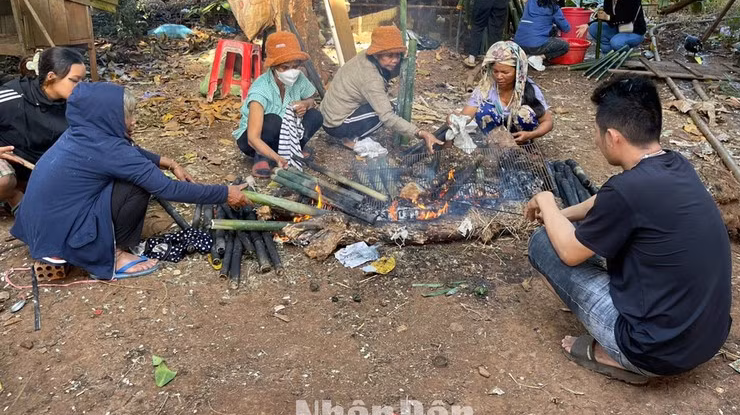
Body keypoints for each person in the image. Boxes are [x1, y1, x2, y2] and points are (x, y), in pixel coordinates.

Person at [525, 77, 731, 384]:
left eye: (597, 132)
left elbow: (568, 252)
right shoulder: (675, 164)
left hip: (653, 350)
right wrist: (560, 215)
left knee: (544, 243)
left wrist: (545, 200)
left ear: (613, 137)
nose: (595, 140)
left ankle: (616, 355)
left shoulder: (626, 191)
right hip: (708, 338)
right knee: (576, 232)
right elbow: (605, 200)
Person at [12, 82, 249, 280]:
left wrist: (168, 162)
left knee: (132, 176)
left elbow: (130, 152)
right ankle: (115, 256)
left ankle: (96, 244)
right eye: (127, 116)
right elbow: (166, 188)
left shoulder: (85, 133)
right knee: (137, 185)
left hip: (41, 230)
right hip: (59, 241)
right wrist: (225, 193)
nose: (134, 121)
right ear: (108, 116)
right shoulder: (109, 149)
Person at [320, 25, 443, 151]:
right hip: (336, 124)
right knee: (387, 112)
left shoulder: (368, 57)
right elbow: (387, 117)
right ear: (376, 54)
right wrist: (419, 132)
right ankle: (348, 139)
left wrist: (406, 63)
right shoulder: (370, 77)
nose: (395, 60)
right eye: (389, 55)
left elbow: (390, 68)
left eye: (397, 55)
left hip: (329, 113)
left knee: (384, 106)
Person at [0, 47, 86, 215]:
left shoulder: (76, 105)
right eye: (74, 80)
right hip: (8, 162)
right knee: (3, 181)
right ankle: (14, 195)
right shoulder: (11, 97)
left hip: (37, 168)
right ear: (51, 77)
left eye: (83, 80)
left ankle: (25, 190)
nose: (80, 87)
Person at [234, 31, 323, 178]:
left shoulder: (299, 79)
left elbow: (311, 99)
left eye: (295, 66)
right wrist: (277, 159)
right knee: (274, 120)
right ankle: (262, 158)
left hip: (284, 136)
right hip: (254, 141)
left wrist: (305, 104)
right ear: (274, 67)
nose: (291, 72)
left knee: (315, 116)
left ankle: (294, 150)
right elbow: (252, 138)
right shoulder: (261, 89)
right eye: (285, 67)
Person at [455, 41, 553, 144]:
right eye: (495, 71)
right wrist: (455, 119)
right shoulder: (485, 88)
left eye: (505, 72)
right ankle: (493, 145)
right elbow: (466, 115)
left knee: (525, 112)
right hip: (492, 142)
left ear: (518, 72)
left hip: (522, 140)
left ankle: (522, 144)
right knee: (485, 109)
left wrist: (531, 135)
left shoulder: (529, 88)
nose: (499, 76)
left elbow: (547, 121)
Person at [576, 0, 646, 53]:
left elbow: (628, 17)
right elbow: (605, 15)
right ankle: (609, 53)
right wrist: (587, 25)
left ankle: (624, 54)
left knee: (616, 42)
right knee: (593, 28)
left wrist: (608, 17)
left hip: (634, 31)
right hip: (616, 28)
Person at [513, 0, 571, 67]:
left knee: (548, 30)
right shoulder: (554, 7)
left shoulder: (530, 1)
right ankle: (538, 57)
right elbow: (566, 28)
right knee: (565, 46)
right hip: (535, 45)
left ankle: (527, 55)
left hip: (519, 43)